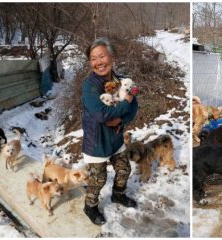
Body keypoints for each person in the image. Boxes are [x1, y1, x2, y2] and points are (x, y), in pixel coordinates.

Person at [81, 37, 138, 225]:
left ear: (111, 57)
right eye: (93, 58)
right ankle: (90, 206)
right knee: (98, 178)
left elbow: (134, 107)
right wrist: (126, 102)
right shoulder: (90, 86)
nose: (98, 62)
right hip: (96, 141)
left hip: (115, 138)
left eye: (101, 56)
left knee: (124, 169)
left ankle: (118, 195)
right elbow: (102, 115)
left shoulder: (122, 81)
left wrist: (120, 119)